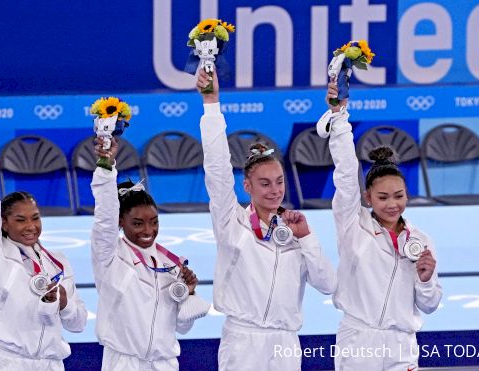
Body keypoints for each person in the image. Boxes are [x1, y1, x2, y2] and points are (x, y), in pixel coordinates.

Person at [196, 69, 337, 370]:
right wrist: (211, 103)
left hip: (286, 343)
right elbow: (217, 169)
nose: (275, 191)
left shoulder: (295, 227)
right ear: (247, 186)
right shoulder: (230, 222)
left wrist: (307, 238)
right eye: (265, 183)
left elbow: (328, 284)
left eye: (279, 181)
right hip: (243, 342)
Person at [317, 81, 442, 370]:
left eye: (398, 196)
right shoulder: (353, 224)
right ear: (367, 197)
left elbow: (431, 304)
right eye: (382, 197)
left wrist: (425, 280)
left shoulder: (421, 239)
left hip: (403, 346)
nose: (391, 204)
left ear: (407, 195)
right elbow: (346, 175)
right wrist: (340, 119)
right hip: (359, 342)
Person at [0, 119, 87, 370]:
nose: (31, 226)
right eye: (20, 220)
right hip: (5, 363)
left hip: (51, 363)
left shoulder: (59, 262)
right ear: (4, 224)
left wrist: (64, 303)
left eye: (35, 218)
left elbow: (79, 324)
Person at [90, 137, 211, 371]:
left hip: (165, 364)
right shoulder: (109, 256)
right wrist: (106, 166)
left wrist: (189, 294)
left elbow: (182, 327)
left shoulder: (172, 264)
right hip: (124, 363)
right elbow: (103, 217)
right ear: (120, 222)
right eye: (137, 223)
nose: (148, 231)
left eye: (154, 222)